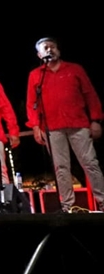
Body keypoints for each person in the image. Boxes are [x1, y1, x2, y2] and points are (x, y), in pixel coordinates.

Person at [26, 38, 104, 212]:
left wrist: (95, 119)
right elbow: (32, 103)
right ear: (39, 54)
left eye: (52, 46)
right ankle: (67, 205)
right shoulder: (36, 75)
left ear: (58, 50)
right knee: (61, 167)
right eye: (45, 48)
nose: (50, 49)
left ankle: (103, 200)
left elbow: (90, 94)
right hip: (52, 127)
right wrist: (35, 126)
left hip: (78, 122)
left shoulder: (74, 69)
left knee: (90, 163)